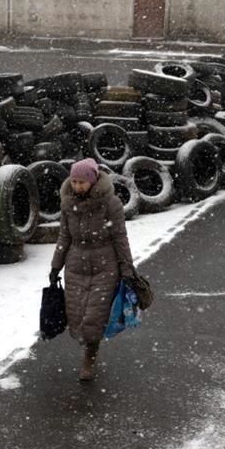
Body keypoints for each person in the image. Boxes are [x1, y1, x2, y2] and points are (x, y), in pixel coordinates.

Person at [49, 158, 136, 381]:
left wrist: (126, 268)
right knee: (76, 313)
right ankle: (89, 346)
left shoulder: (110, 203)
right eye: (74, 181)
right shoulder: (68, 203)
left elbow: (119, 237)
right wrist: (56, 265)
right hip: (76, 264)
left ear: (93, 180)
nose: (77, 186)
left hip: (104, 264)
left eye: (82, 182)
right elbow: (64, 236)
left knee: (94, 315)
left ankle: (90, 355)